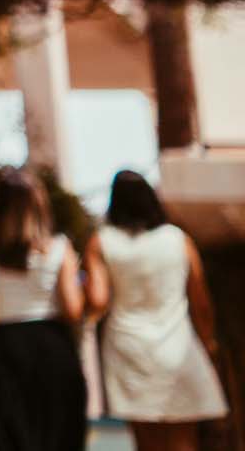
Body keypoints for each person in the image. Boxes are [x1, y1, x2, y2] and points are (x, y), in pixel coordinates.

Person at [94, 168, 229, 450]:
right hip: (177, 346)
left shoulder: (103, 241)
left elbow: (97, 299)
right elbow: (201, 301)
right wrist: (209, 343)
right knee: (184, 440)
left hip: (127, 348)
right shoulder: (178, 239)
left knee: (146, 442)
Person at [0, 168, 91, 451]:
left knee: (11, 431)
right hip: (51, 342)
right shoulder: (60, 247)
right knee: (57, 429)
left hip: (7, 345)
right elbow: (73, 309)